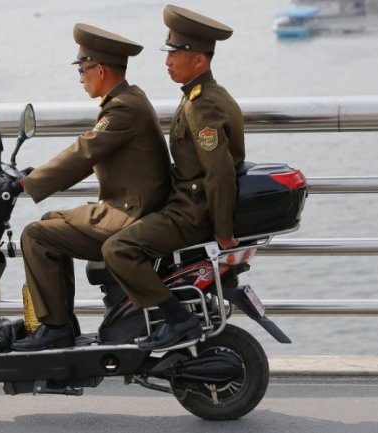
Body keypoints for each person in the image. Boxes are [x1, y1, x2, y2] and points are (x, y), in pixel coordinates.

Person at [6, 23, 172, 351]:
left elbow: (84, 152)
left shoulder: (123, 109)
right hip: (129, 206)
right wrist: (32, 177)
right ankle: (58, 321)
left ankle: (54, 328)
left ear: (100, 69)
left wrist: (27, 183)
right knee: (49, 221)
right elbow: (87, 149)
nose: (80, 78)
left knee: (35, 236)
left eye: (82, 70)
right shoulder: (128, 99)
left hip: (131, 215)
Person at [102, 4, 246, 350]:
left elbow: (219, 173)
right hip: (185, 204)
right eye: (167, 53)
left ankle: (178, 319)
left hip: (190, 213)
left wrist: (223, 232)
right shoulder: (202, 96)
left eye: (175, 54)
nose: (167, 61)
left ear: (199, 60)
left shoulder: (202, 105)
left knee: (117, 249)